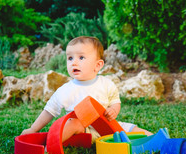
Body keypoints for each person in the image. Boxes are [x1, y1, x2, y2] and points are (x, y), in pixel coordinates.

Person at [21, 36, 152, 142]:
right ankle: (50, 146)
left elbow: (115, 102)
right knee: (73, 123)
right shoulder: (65, 90)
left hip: (109, 127)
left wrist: (113, 110)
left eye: (81, 57)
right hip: (85, 132)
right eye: (70, 58)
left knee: (133, 129)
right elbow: (49, 111)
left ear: (98, 65)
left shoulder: (106, 84)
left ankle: (159, 140)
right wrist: (33, 129)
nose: (74, 62)